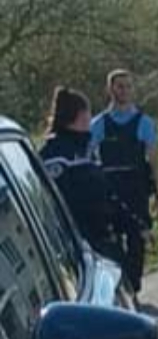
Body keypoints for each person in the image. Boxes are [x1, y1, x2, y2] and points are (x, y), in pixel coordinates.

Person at [91, 69, 158, 300]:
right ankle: (119, 286)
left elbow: (154, 160)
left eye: (128, 86)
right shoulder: (98, 124)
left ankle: (134, 286)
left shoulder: (144, 123)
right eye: (119, 86)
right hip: (109, 188)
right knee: (112, 241)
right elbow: (89, 157)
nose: (124, 90)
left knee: (137, 239)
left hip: (136, 188)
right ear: (110, 89)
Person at [39, 87, 122, 263]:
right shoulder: (57, 155)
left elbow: (105, 192)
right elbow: (68, 202)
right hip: (81, 244)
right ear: (80, 115)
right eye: (88, 112)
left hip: (99, 237)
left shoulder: (84, 149)